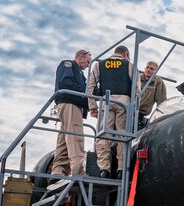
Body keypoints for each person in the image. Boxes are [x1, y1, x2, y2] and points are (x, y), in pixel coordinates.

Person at [88, 45, 135, 179]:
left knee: (103, 134)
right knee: (122, 135)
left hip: (106, 102)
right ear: (125, 54)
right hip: (124, 103)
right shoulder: (129, 65)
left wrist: (92, 106)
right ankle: (121, 169)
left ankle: (104, 169)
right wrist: (133, 109)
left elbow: (90, 87)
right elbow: (137, 89)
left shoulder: (100, 65)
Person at [51, 49, 91, 178]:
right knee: (75, 136)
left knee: (64, 140)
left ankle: (58, 170)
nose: (88, 65)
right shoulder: (68, 65)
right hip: (70, 103)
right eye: (88, 61)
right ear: (80, 57)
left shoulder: (80, 74)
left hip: (70, 105)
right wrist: (86, 92)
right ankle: (77, 171)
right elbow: (65, 83)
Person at [138, 60, 167, 126]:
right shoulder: (137, 78)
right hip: (128, 109)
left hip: (141, 114)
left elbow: (161, 100)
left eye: (151, 69)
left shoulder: (157, 81)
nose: (148, 70)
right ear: (144, 68)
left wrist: (161, 115)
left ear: (155, 71)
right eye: (147, 67)